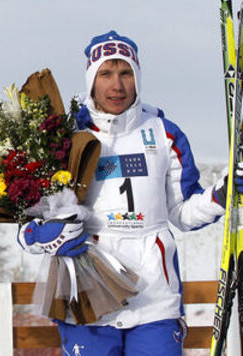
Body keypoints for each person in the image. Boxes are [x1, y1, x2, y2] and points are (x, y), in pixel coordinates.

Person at [18, 30, 231, 355]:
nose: (116, 85)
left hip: (154, 300)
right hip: (87, 295)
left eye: (125, 73)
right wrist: (39, 234)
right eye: (106, 73)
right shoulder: (64, 136)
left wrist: (223, 194)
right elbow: (27, 221)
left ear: (137, 77)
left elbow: (185, 214)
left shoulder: (164, 133)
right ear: (92, 79)